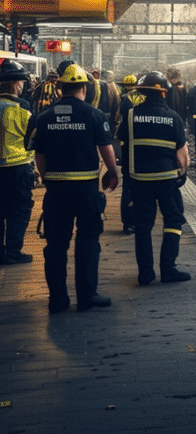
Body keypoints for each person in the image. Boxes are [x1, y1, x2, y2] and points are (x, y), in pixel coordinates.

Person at [33, 63, 120, 313]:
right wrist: (113, 173)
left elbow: (39, 155)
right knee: (88, 241)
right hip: (85, 190)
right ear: (84, 88)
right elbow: (106, 148)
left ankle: (58, 300)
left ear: (60, 87)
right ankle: (87, 296)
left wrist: (47, 179)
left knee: (55, 245)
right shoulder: (94, 115)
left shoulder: (45, 117)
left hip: (56, 191)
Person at [117, 71, 190, 285]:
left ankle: (145, 273)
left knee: (143, 224)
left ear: (142, 93)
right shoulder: (174, 118)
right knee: (173, 220)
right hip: (167, 179)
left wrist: (125, 171)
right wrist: (183, 172)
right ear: (164, 93)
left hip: (139, 178)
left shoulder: (130, 116)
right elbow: (182, 152)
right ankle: (168, 269)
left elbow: (120, 144)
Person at [0, 59, 36, 265]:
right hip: (17, 168)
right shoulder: (23, 108)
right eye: (21, 83)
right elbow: (32, 139)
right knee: (19, 210)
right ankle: (13, 252)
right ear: (15, 84)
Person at [116, 74, 145, 234]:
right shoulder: (145, 98)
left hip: (129, 148)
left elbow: (121, 127)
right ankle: (142, 219)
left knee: (128, 187)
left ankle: (128, 222)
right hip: (145, 149)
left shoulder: (125, 99)